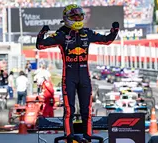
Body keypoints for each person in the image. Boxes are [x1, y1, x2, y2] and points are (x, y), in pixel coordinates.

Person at [35, 4, 119, 142]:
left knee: (87, 110)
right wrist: (42, 33)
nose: (78, 18)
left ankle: (88, 137)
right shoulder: (61, 34)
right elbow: (40, 45)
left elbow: (107, 40)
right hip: (69, 77)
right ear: (67, 18)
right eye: (75, 16)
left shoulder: (87, 32)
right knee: (69, 110)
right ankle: (69, 137)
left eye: (80, 15)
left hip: (84, 77)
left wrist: (115, 31)